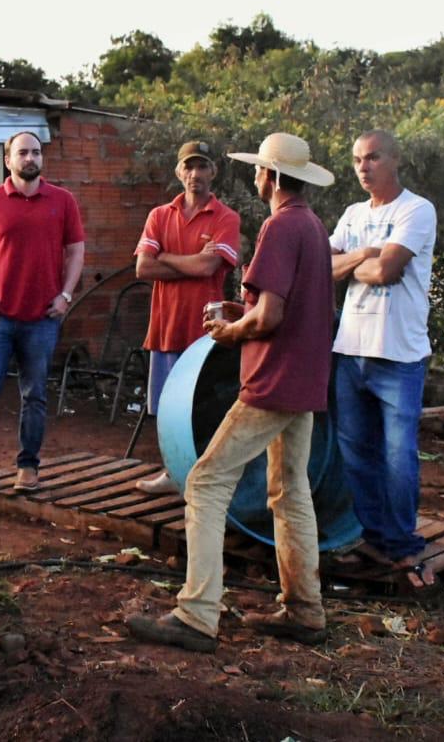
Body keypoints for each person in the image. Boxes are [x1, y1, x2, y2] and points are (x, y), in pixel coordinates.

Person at [128, 133, 335, 652]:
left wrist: (231, 331)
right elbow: (281, 308)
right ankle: (305, 610)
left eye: (259, 171)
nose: (256, 177)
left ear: (268, 177)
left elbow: (271, 316)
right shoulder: (311, 225)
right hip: (305, 381)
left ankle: (196, 615)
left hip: (272, 382)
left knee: (204, 481)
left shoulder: (279, 226)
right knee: (291, 492)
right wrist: (240, 314)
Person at [329, 129, 437, 589]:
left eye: (372, 157)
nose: (363, 167)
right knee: (355, 453)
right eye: (356, 159)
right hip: (350, 351)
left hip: (399, 355)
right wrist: (364, 254)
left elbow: (387, 271)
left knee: (397, 456)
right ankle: (372, 536)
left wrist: (358, 261)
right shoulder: (353, 214)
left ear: (395, 159)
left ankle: (403, 544)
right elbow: (322, 267)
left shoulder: (417, 209)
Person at [0, 131, 85, 491]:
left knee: (35, 395)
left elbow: (76, 251)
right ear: (8, 160)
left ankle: (27, 466)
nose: (30, 158)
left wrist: (65, 294)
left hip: (42, 318)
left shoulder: (62, 201)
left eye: (36, 152)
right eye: (23, 153)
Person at [133, 141, 241, 495]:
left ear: (213, 171)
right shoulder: (159, 215)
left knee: (206, 409)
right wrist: (190, 260)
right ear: (179, 172)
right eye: (188, 167)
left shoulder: (226, 217)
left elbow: (210, 265)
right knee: (167, 411)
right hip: (166, 326)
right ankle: (173, 476)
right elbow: (143, 267)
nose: (195, 174)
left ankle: (205, 483)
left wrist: (168, 256)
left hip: (207, 334)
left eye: (202, 167)